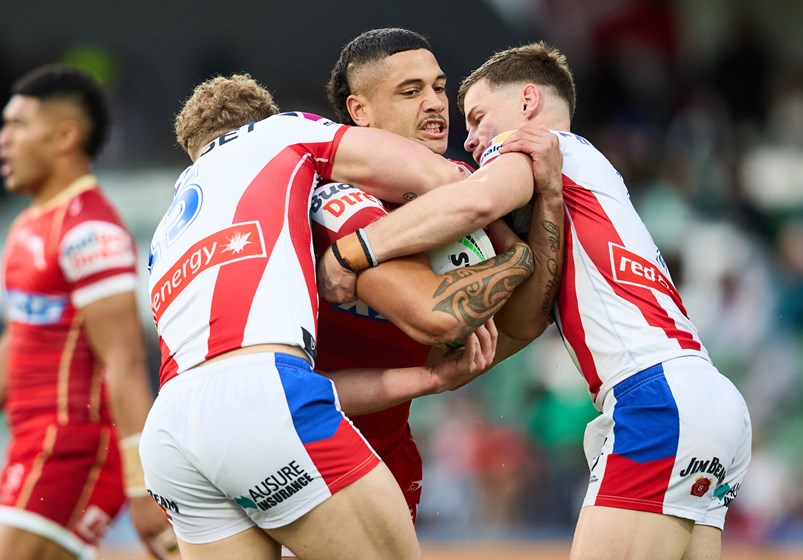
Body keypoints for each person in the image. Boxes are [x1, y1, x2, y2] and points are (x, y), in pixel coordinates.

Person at [324, 41, 753, 559]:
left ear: (529, 102)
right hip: (706, 396)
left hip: (653, 397)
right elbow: (523, 315)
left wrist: (353, 252)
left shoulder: (533, 144)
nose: (473, 140)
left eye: (478, 117)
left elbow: (478, 199)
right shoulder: (586, 170)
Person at [140, 73, 546, 559]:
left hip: (168, 434)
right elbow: (441, 179)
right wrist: (514, 231)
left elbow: (270, 387)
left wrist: (430, 379)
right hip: (262, 399)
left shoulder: (167, 234)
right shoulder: (278, 133)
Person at [312, 28, 564, 535]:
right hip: (308, 444)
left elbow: (522, 322)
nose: (434, 104)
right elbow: (439, 315)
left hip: (390, 450)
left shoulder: (460, 182)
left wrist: (551, 202)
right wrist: (516, 256)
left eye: (438, 87)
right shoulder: (332, 193)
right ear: (359, 112)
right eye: (410, 92)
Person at [0, 64, 175, 559]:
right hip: (30, 446)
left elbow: (124, 362)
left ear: (64, 136)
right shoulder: (27, 227)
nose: (3, 140)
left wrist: (142, 487)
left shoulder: (90, 233)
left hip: (74, 452)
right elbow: (21, 340)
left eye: (16, 125)